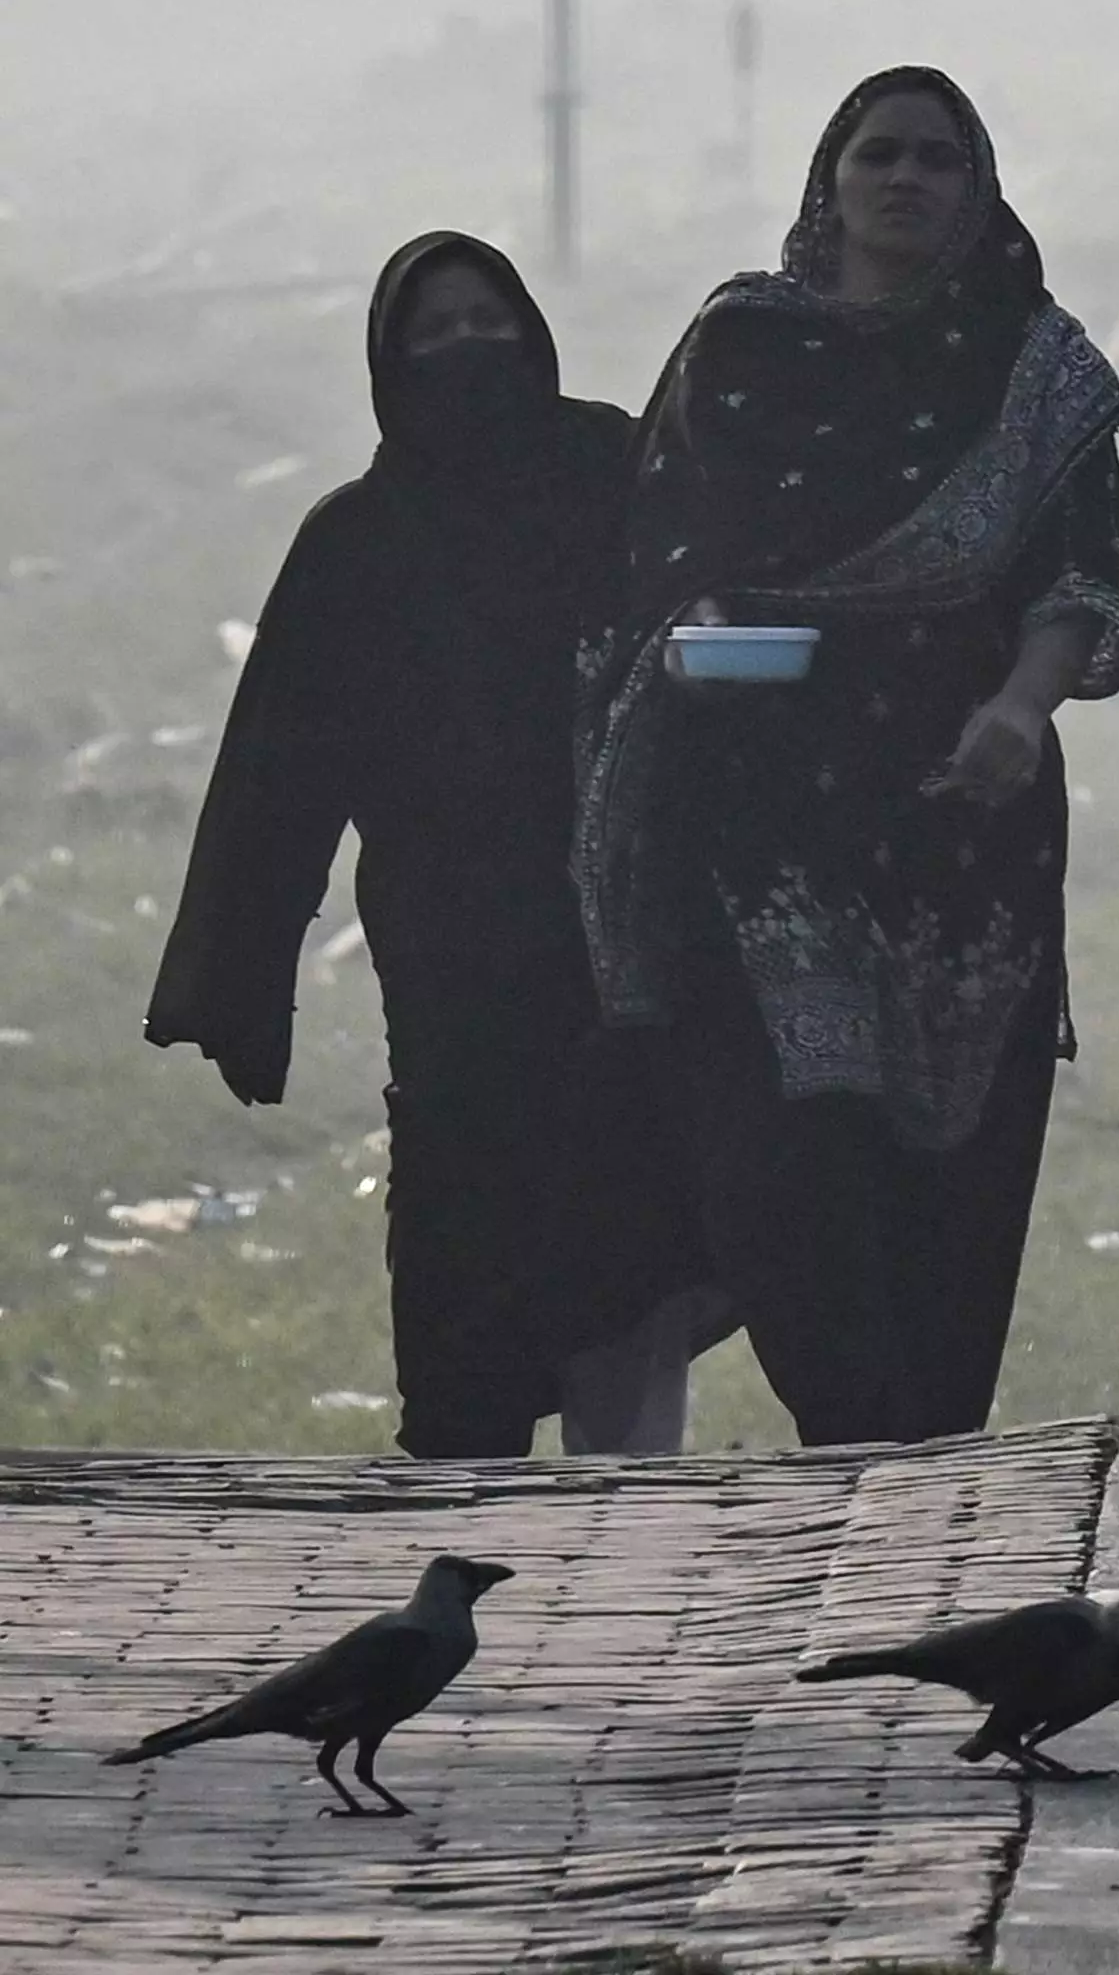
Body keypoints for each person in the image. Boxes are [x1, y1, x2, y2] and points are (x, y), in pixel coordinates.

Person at [577, 69, 1119, 1446]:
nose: (906, 180)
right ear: (827, 178)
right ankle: (849, 1425)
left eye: (938, 160)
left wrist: (1017, 708)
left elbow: (1083, 588)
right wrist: (697, 628)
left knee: (946, 1155)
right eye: (877, 154)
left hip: (963, 813)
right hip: (762, 813)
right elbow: (654, 555)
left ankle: (924, 1447)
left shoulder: (1036, 367)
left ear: (977, 187)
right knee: (785, 1151)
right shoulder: (741, 346)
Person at [152, 234, 721, 1458]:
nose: (468, 349)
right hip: (452, 947)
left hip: (622, 928)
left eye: (487, 320)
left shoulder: (608, 468)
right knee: (467, 1217)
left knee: (627, 1219)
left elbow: (710, 614)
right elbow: (276, 773)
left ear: (532, 330)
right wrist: (236, 981)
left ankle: (624, 1528)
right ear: (390, 363)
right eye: (435, 332)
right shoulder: (358, 538)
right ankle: (469, 1490)